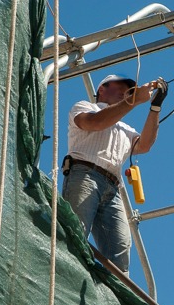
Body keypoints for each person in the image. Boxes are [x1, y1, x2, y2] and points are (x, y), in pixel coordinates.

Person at [62, 74, 168, 274]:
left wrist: (155, 107)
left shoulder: (124, 128)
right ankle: (67, 278)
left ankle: (116, 300)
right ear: (102, 88)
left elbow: (144, 145)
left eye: (128, 90)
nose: (125, 92)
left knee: (120, 251)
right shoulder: (85, 107)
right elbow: (95, 123)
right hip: (85, 175)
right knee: (75, 234)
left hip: (112, 187)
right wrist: (134, 100)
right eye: (120, 87)